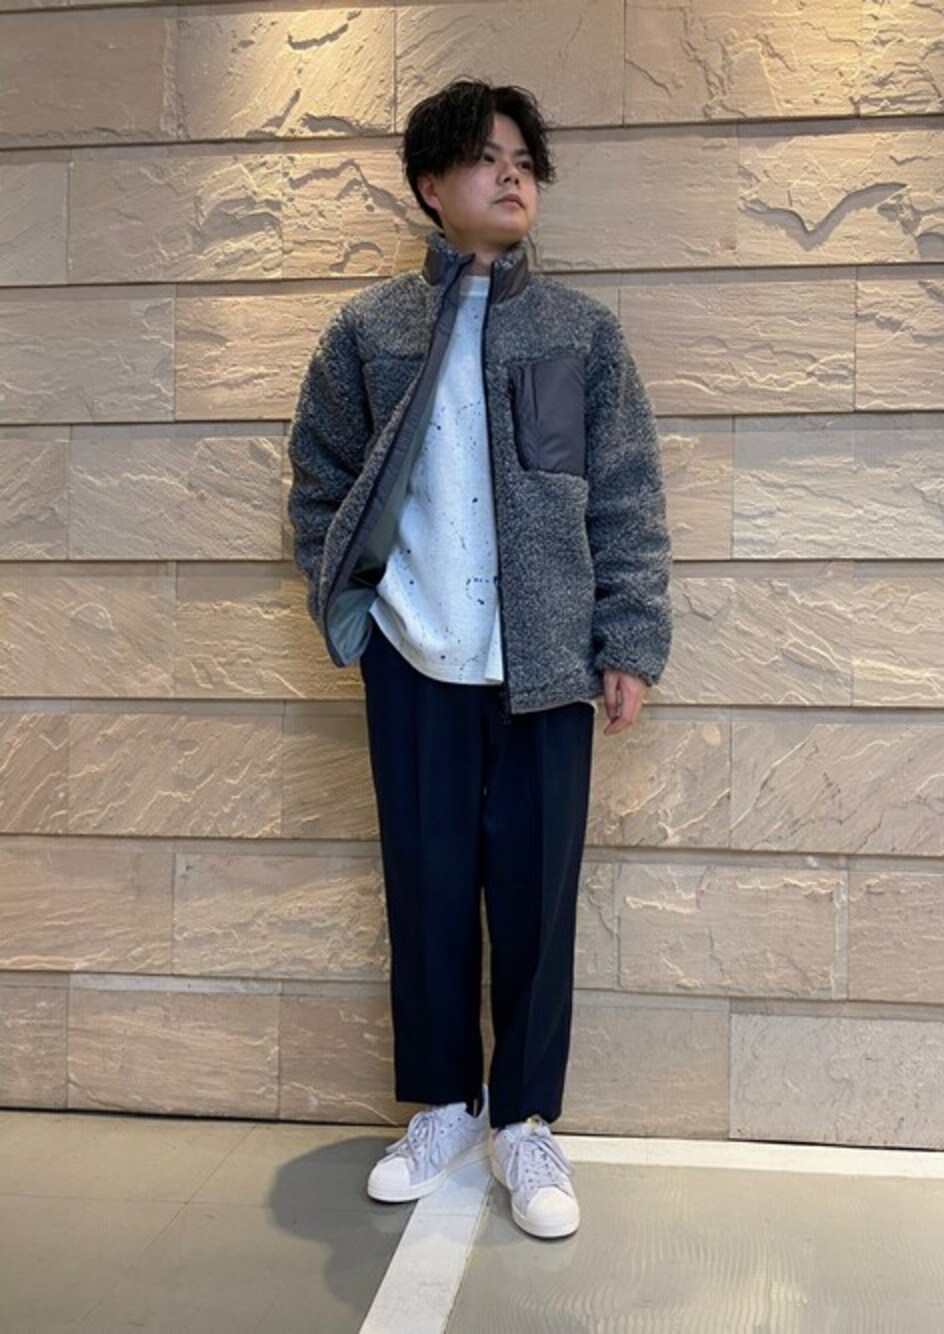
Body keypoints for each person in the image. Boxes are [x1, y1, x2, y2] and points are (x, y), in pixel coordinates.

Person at [286, 77, 672, 1240]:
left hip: (544, 665)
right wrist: (352, 606)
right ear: (429, 186)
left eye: (524, 160)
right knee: (428, 883)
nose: (513, 175)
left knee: (537, 897)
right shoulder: (369, 331)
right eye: (485, 157)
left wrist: (627, 636)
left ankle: (525, 1120)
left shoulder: (580, 333)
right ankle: (446, 1106)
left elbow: (624, 494)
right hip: (414, 657)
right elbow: (318, 480)